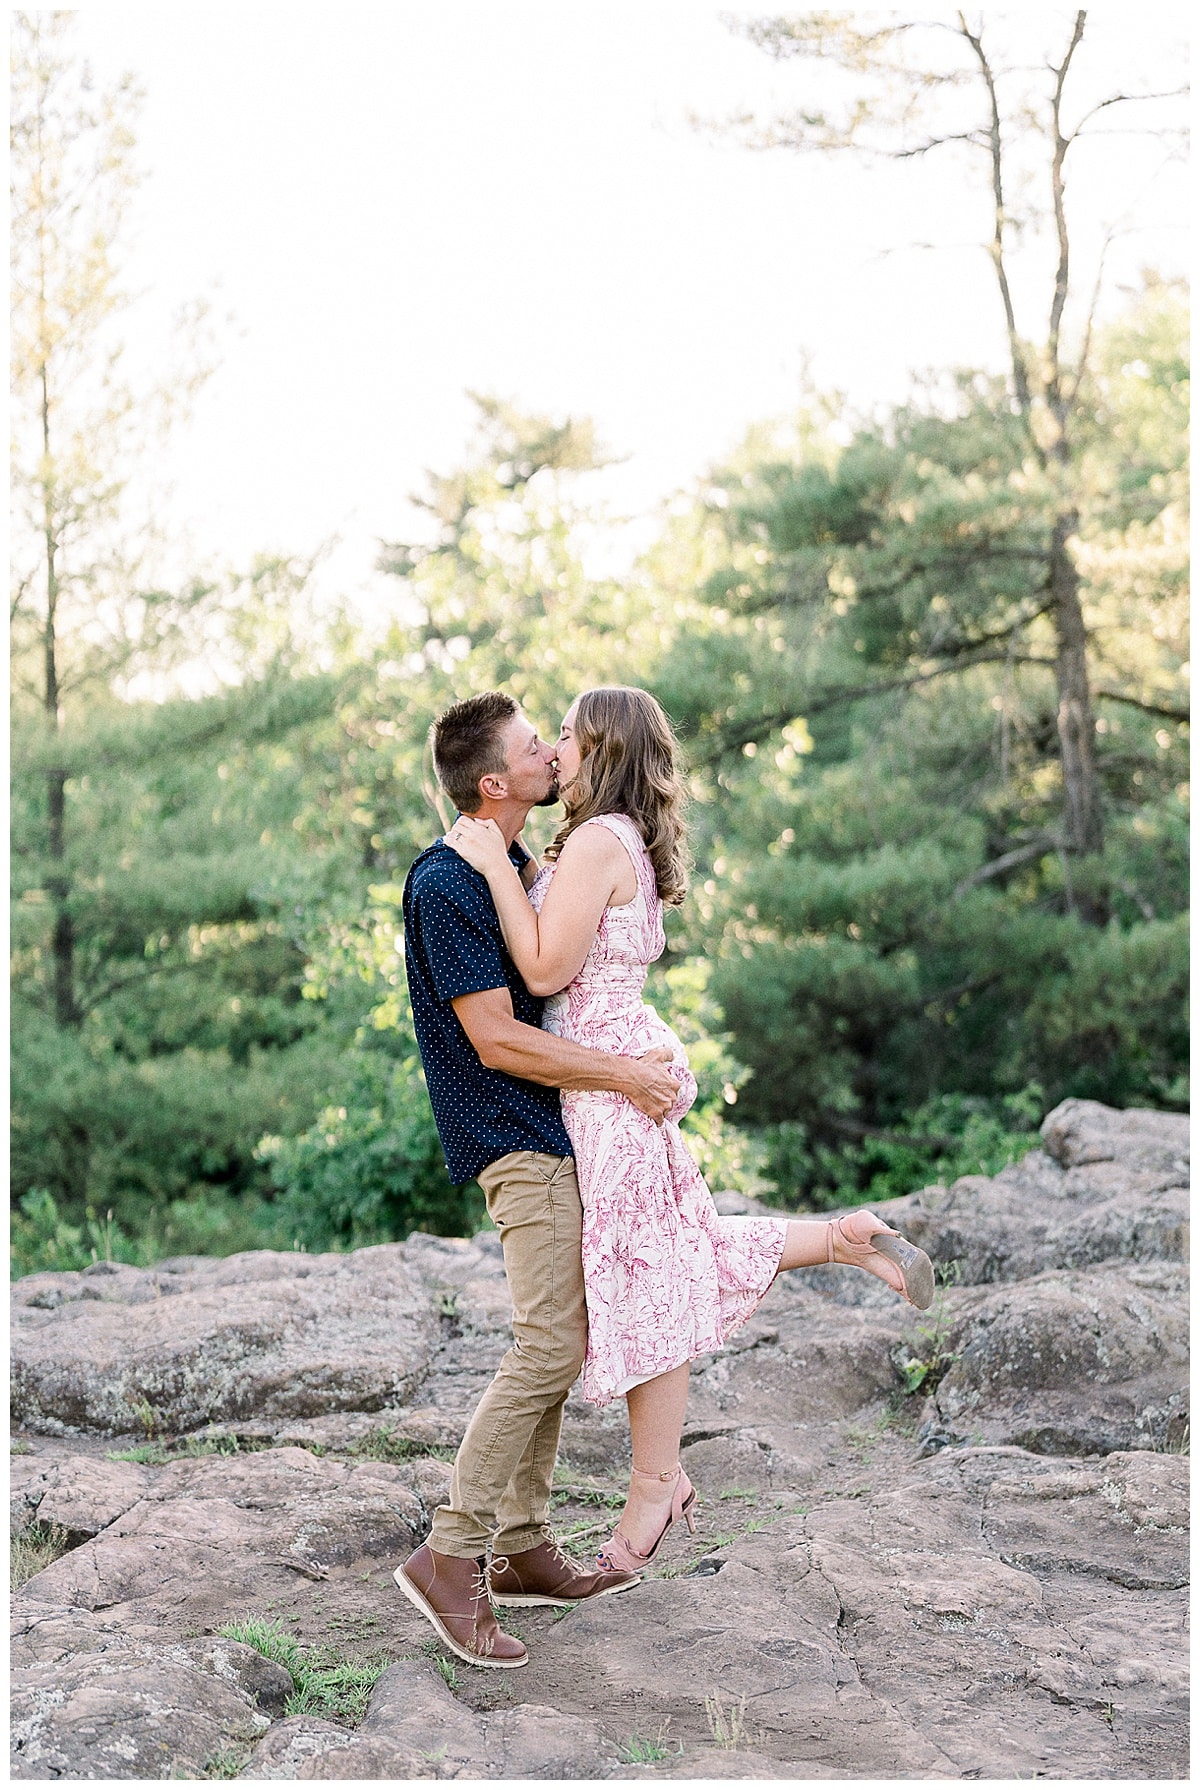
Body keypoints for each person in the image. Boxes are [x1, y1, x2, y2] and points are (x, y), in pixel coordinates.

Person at [443, 684, 934, 1575]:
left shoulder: (594, 841)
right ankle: (844, 1236)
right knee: (676, 1247)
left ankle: (655, 1483)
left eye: (566, 735)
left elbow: (548, 970)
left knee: (648, 1273)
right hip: (621, 1062)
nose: (555, 748)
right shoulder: (621, 836)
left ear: (602, 750)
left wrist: (489, 872)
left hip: (603, 1081)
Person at [395, 690, 685, 1670]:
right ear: (495, 781)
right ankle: (452, 1552)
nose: (550, 752)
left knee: (561, 1335)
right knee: (548, 1341)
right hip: (513, 1135)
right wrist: (627, 1075)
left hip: (552, 1128)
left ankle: (520, 1543)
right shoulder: (446, 882)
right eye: (533, 744)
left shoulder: (512, 865)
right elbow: (496, 1036)